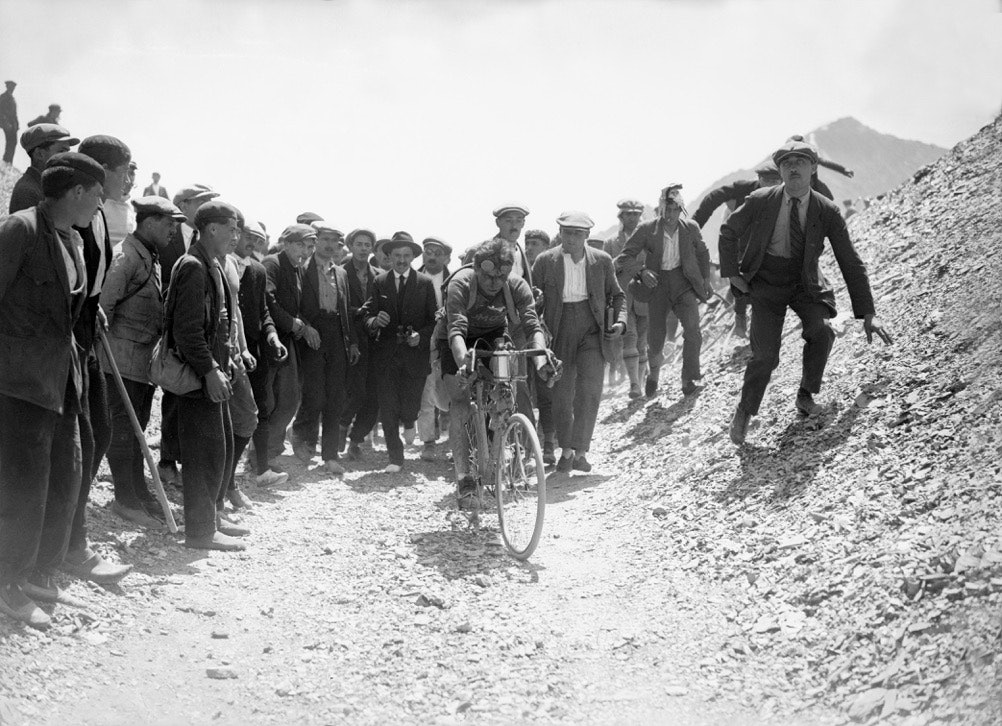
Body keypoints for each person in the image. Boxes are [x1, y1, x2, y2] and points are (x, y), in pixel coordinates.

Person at [721, 141, 892, 445]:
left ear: (813, 168)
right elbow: (728, 231)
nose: (794, 168)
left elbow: (849, 260)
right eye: (787, 163)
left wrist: (868, 312)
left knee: (821, 330)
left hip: (805, 283)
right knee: (765, 355)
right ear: (780, 170)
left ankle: (806, 393)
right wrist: (734, 275)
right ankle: (745, 410)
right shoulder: (761, 199)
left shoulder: (826, 210)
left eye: (801, 162)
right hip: (766, 282)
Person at [0, 152, 107, 629]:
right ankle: (7, 581)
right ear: (77, 192)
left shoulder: (73, 239)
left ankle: (39, 571)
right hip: (18, 380)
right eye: (98, 194)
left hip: (60, 378)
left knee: (64, 473)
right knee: (22, 485)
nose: (102, 204)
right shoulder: (20, 229)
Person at [61, 136, 132, 586]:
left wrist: (94, 305)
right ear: (101, 170)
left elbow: (91, 278)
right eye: (124, 169)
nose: (129, 178)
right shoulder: (78, 213)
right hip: (68, 339)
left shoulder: (104, 213)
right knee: (78, 442)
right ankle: (70, 545)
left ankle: (70, 536)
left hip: (87, 330)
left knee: (99, 433)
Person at [441, 239, 552, 506]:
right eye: (488, 276)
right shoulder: (461, 283)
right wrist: (463, 364)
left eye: (500, 277)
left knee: (505, 377)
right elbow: (455, 329)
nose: (493, 282)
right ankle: (464, 476)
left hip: (493, 334)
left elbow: (532, 325)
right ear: (476, 268)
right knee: (459, 401)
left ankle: (499, 429)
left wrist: (541, 361)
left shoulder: (516, 285)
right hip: (456, 339)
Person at [100, 196, 184, 528]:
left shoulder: (151, 257)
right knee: (122, 431)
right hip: (118, 363)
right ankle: (125, 499)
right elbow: (102, 311)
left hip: (141, 366)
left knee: (136, 432)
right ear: (149, 223)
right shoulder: (126, 257)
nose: (174, 230)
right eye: (169, 223)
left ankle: (138, 493)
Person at [167, 201, 245, 550]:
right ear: (211, 228)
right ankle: (199, 532)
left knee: (220, 449)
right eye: (232, 228)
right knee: (202, 455)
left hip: (213, 374)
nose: (236, 236)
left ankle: (210, 521)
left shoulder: (208, 263)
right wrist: (211, 370)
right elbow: (187, 331)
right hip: (200, 377)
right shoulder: (194, 266)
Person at [532, 212, 626, 473]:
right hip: (558, 329)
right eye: (566, 232)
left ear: (586, 236)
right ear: (559, 233)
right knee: (561, 393)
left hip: (592, 328)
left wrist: (620, 322)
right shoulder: (544, 262)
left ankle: (581, 452)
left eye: (577, 233)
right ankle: (566, 451)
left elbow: (618, 296)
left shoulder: (602, 261)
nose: (571, 238)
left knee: (590, 389)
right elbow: (531, 302)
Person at [615, 184, 712, 397]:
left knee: (693, 329)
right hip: (657, 285)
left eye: (674, 210)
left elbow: (703, 254)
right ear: (660, 210)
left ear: (681, 210)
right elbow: (624, 257)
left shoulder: (691, 228)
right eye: (665, 210)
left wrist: (706, 279)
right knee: (656, 337)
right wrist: (642, 272)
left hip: (683, 282)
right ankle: (653, 375)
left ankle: (688, 379)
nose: (669, 215)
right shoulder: (647, 229)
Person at [360, 232, 438, 473]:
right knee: (388, 406)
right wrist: (375, 321)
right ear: (389, 257)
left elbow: (434, 321)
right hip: (386, 354)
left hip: (414, 357)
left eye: (406, 256)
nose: (401, 260)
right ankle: (395, 457)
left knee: (410, 407)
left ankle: (409, 420)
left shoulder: (424, 283)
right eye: (397, 256)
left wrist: (420, 337)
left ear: (413, 257)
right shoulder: (379, 282)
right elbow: (366, 314)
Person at [158, 183, 219, 487]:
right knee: (170, 393)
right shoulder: (167, 237)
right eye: (201, 202)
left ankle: (181, 461)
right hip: (166, 327)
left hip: (193, 329)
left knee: (186, 395)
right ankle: (166, 461)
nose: (205, 208)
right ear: (183, 205)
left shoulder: (204, 245)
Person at [290, 224, 359, 475]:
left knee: (336, 397)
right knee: (315, 394)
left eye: (335, 241)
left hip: (337, 336)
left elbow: (347, 309)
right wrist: (306, 327)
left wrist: (352, 342)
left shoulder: (341, 273)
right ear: (316, 241)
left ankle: (329, 455)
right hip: (311, 333)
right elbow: (293, 305)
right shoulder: (301, 268)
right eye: (325, 239)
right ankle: (301, 433)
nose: (330, 245)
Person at [692, 162, 783, 338]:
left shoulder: (785, 193)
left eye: (775, 181)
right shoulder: (744, 188)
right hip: (740, 239)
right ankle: (740, 318)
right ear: (759, 179)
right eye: (767, 180)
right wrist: (694, 227)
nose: (771, 185)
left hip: (769, 240)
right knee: (742, 276)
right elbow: (714, 197)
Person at [232, 220, 288, 489]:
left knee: (261, 408)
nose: (252, 243)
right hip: (228, 350)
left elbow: (263, 310)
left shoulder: (257, 269)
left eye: (257, 239)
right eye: (247, 237)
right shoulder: (221, 264)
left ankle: (261, 469)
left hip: (255, 351)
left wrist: (272, 336)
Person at [261, 224, 316, 466]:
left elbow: (298, 307)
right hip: (269, 338)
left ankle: (269, 450)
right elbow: (267, 299)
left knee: (289, 398)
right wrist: (290, 323)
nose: (305, 251)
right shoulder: (272, 263)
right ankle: (262, 455)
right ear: (286, 244)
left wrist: (304, 325)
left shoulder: (298, 270)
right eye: (300, 245)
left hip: (287, 339)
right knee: (274, 399)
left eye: (308, 246)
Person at [339, 228, 381, 461]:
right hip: (350, 338)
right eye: (359, 244)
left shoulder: (379, 275)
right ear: (350, 246)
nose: (363, 248)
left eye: (367, 244)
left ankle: (356, 440)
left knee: (374, 396)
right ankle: (342, 425)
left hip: (375, 341)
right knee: (356, 391)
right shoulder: (340, 272)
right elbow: (340, 309)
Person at [604, 198, 649, 398]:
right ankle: (634, 384)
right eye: (627, 214)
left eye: (635, 214)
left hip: (645, 293)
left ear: (641, 216)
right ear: (621, 216)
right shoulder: (611, 242)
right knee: (629, 337)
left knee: (643, 339)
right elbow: (605, 269)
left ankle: (641, 379)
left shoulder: (649, 239)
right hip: (622, 295)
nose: (631, 218)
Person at [416, 236, 452, 461]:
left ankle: (455, 437)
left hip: (450, 341)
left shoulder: (456, 279)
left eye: (437, 252)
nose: (431, 256)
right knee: (426, 391)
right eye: (428, 251)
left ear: (447, 257)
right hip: (424, 342)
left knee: (451, 389)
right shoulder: (414, 279)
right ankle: (428, 441)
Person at [8, 124, 79, 213]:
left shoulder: (48, 185)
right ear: (39, 154)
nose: (67, 157)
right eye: (61, 151)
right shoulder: (27, 192)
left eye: (67, 152)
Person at [492, 204, 533, 285]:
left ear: (523, 223)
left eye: (518, 221)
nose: (514, 226)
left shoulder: (523, 254)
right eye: (508, 220)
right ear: (498, 223)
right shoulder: (482, 251)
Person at [0, 81, 17, 165]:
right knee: (10, 142)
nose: (13, 88)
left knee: (13, 142)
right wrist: (5, 123)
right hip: (7, 124)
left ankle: (9, 161)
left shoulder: (12, 98)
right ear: (7, 87)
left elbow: (14, 114)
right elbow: (1, 111)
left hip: (13, 125)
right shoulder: (3, 97)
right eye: (11, 86)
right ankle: (7, 161)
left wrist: (17, 124)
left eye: (13, 87)